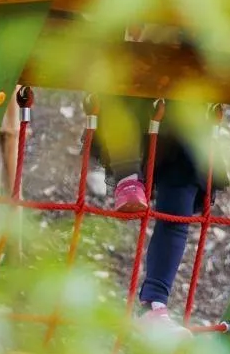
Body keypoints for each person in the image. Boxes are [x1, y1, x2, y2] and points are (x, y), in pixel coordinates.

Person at [92, 94, 218, 325]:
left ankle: (155, 304)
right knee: (122, 102)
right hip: (137, 98)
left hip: (185, 119)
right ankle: (128, 176)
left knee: (178, 214)